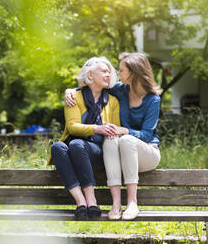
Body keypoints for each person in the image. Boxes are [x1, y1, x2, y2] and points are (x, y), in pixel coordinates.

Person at [64, 52, 162, 220]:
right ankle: (116, 203)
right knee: (111, 139)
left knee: (126, 139)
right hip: (123, 152)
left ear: (134, 72)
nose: (117, 73)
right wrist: (70, 91)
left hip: (147, 153)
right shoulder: (120, 90)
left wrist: (125, 131)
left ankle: (132, 203)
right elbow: (90, 84)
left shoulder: (153, 99)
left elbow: (147, 134)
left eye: (122, 70)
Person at [48, 56, 120, 220]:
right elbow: (72, 127)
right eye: (103, 71)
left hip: (98, 153)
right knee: (58, 147)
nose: (108, 74)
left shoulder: (113, 101)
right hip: (74, 151)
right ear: (90, 75)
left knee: (76, 144)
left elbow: (114, 130)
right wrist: (98, 128)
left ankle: (92, 200)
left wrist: (104, 131)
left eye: (109, 71)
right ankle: (81, 202)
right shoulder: (74, 96)